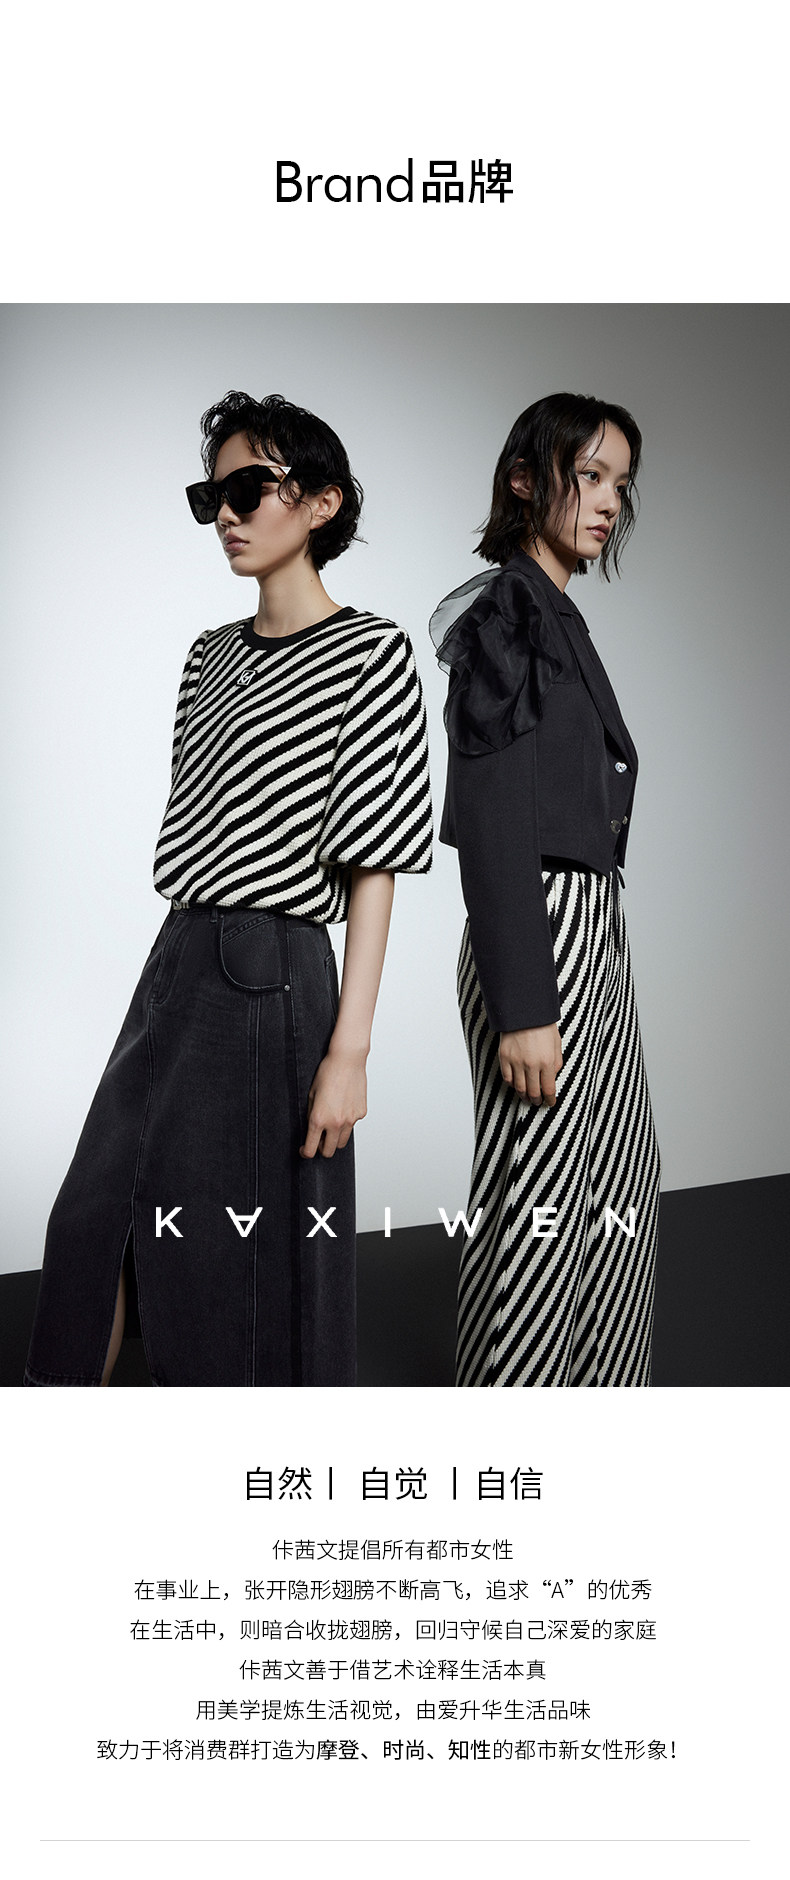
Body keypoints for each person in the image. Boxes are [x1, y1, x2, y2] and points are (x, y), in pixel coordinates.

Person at [25, 391, 432, 1388]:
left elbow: (375, 863)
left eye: (249, 488)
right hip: (176, 957)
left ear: (322, 501)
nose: (226, 514)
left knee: (228, 1253)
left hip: (274, 973)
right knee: (94, 1217)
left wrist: (350, 1050)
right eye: (210, 496)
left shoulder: (372, 654)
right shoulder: (206, 656)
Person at [431, 392, 660, 1388]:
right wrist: (524, 1007)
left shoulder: (552, 612)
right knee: (543, 1194)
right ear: (526, 480)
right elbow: (489, 820)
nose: (608, 501)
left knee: (617, 1179)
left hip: (588, 925)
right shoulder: (509, 616)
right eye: (591, 474)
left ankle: (595, 1404)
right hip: (542, 932)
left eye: (621, 484)